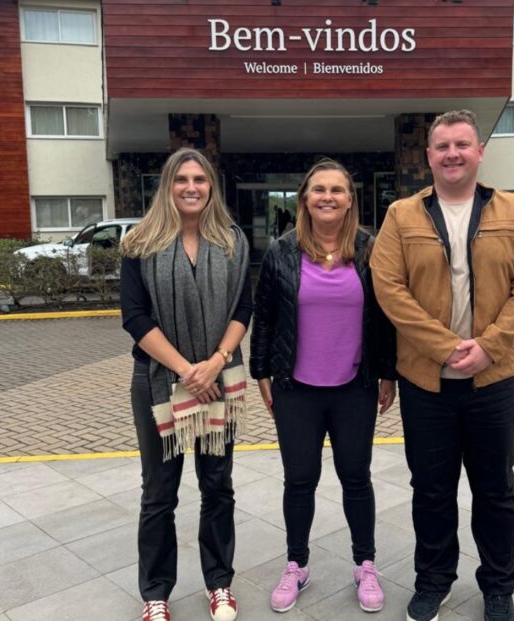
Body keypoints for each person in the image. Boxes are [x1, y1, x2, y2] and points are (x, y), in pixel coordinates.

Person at [370, 110, 514, 621]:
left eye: (462, 144)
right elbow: (389, 288)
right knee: (430, 490)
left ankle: (498, 588)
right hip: (426, 382)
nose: (452, 153)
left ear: (479, 152)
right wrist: (444, 346)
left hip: (493, 380)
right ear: (428, 156)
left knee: (496, 491)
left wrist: (491, 345)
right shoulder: (402, 216)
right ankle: (434, 580)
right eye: (442, 145)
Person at [250, 158, 397, 614]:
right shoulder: (281, 252)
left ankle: (365, 564)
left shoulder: (372, 250)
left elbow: (387, 317)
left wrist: (388, 372)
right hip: (297, 388)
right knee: (299, 481)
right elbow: (266, 318)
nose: (327, 197)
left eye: (337, 189)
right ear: (304, 199)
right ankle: (296, 564)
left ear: (350, 199)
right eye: (318, 189)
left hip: (354, 386)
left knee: (356, 479)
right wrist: (261, 374)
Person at [120, 148, 251, 621]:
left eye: (199, 179)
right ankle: (156, 592)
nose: (191, 187)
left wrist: (215, 363)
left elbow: (242, 309)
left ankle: (219, 583)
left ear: (211, 186)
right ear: (168, 186)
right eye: (181, 179)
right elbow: (134, 318)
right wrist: (186, 371)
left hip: (217, 379)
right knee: (159, 492)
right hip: (159, 381)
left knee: (217, 486)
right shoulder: (140, 244)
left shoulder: (232, 241)